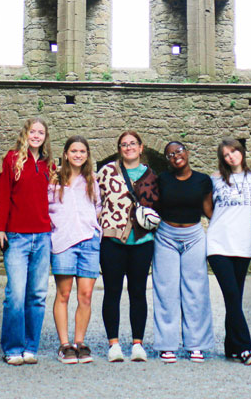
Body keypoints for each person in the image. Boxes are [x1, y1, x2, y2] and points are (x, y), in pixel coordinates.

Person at [0, 117, 53, 366]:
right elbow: (3, 194)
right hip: (16, 236)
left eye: (41, 132)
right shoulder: (12, 159)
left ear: (45, 137)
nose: (36, 136)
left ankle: (30, 346)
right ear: (25, 134)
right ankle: (13, 347)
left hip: (43, 236)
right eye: (33, 131)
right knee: (15, 294)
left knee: (37, 295)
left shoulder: (49, 164)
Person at [95, 130, 159, 363]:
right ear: (119, 148)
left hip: (142, 241)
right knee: (112, 292)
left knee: (138, 292)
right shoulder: (106, 172)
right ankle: (113, 344)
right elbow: (94, 200)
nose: (129, 147)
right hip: (113, 240)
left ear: (141, 148)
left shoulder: (152, 175)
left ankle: (137, 343)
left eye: (133, 144)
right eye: (124, 144)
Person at [152, 141, 214, 363]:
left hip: (194, 235)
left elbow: (208, 210)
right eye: (169, 154)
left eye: (178, 151)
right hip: (167, 236)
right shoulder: (163, 179)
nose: (175, 156)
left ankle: (196, 344)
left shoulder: (202, 180)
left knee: (196, 289)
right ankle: (167, 344)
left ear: (186, 152)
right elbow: (154, 206)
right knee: (166, 289)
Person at [48, 135, 102, 364]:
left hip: (89, 240)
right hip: (63, 240)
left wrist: (93, 227)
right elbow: (46, 206)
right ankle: (64, 344)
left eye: (82, 151)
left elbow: (98, 207)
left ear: (87, 155)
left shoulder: (92, 180)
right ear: (66, 153)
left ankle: (80, 342)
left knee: (86, 295)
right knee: (64, 294)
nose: (78, 155)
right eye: (74, 151)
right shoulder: (54, 179)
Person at [206, 138, 251, 365]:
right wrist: (220, 221)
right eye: (226, 154)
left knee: (235, 296)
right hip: (219, 244)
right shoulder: (215, 180)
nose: (231, 157)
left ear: (242, 152)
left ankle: (231, 346)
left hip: (243, 244)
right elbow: (207, 206)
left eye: (234, 152)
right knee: (231, 294)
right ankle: (245, 347)